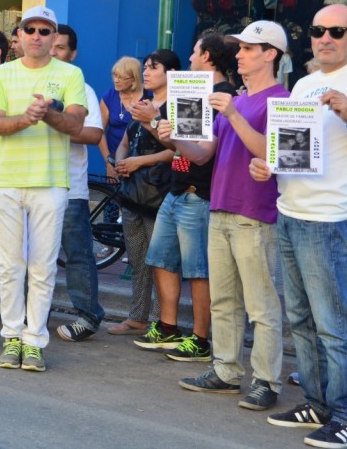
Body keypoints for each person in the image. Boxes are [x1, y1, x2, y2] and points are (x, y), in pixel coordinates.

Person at [250, 4, 347, 448]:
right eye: (317, 30)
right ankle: (316, 400)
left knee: (335, 325)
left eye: (336, 30)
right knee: (301, 319)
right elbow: (294, 149)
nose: (325, 37)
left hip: (331, 219)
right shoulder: (307, 83)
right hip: (291, 210)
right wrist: (269, 165)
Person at [170, 24, 287, 412]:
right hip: (219, 208)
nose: (239, 54)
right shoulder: (236, 99)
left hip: (254, 214)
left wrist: (234, 113)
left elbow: (273, 152)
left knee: (261, 305)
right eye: (240, 48)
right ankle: (225, 371)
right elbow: (202, 154)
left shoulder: (280, 99)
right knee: (223, 299)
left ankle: (267, 381)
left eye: (249, 49)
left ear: (271, 54)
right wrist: (168, 133)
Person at [0, 6, 87, 372]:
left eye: (45, 31)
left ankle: (34, 341)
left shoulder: (71, 73)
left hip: (50, 183)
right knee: (11, 265)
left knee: (43, 267)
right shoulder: (2, 74)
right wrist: (25, 119)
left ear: (53, 36)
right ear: (20, 34)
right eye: (31, 29)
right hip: (8, 181)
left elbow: (76, 124)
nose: (37, 36)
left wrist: (49, 115)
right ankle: (12, 336)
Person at [134, 35, 238, 364]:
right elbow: (179, 147)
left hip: (199, 194)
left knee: (197, 270)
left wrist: (153, 121)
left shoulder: (222, 96)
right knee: (162, 258)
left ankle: (201, 337)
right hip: (179, 189)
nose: (190, 56)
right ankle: (167, 326)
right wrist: (155, 123)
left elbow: (201, 154)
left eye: (194, 51)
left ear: (206, 56)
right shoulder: (193, 89)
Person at [111, 50, 177, 338]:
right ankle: (137, 316)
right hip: (132, 191)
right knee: (137, 258)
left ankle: (160, 321)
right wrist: (120, 159)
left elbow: (176, 150)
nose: (147, 72)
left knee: (158, 261)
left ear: (170, 73)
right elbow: (126, 140)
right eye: (146, 67)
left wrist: (139, 161)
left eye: (154, 67)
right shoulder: (144, 103)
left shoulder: (175, 107)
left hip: (159, 191)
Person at [50, 24, 105, 341]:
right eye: (50, 45)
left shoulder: (83, 90)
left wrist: (54, 121)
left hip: (70, 186)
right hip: (30, 183)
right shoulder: (28, 82)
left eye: (60, 47)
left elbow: (93, 135)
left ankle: (88, 316)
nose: (53, 51)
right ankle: (32, 315)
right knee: (31, 254)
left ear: (73, 54)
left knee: (78, 254)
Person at [98, 57, 143, 183]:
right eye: (115, 75)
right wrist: (108, 163)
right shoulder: (109, 96)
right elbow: (99, 131)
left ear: (134, 78)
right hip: (115, 160)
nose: (116, 80)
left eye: (122, 77)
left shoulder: (149, 95)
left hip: (141, 161)